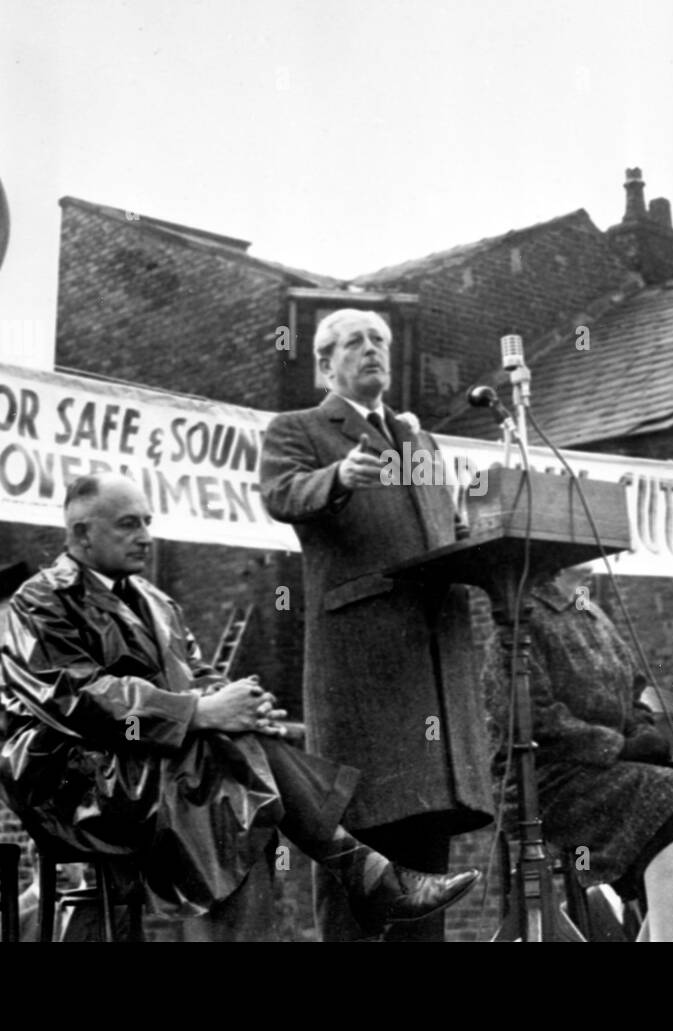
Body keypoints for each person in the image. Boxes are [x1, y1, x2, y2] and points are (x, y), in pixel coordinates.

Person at [0, 473, 478, 941]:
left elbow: (198, 676)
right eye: (129, 524)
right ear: (82, 533)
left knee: (236, 792)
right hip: (68, 777)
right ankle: (367, 873)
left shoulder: (157, 602)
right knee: (230, 775)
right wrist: (202, 713)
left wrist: (240, 704)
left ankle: (366, 875)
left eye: (147, 521)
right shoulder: (42, 599)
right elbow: (74, 697)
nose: (146, 536)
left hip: (155, 765)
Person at [259, 308, 494, 942]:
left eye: (380, 341)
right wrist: (338, 476)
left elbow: (443, 532)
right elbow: (282, 493)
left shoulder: (420, 443)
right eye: (355, 342)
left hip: (434, 673)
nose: (371, 350)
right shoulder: (300, 428)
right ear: (324, 363)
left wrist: (475, 535)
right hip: (364, 672)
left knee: (427, 865)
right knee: (358, 853)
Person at [481, 565, 673, 941]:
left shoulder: (591, 612)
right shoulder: (522, 617)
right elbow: (532, 716)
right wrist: (618, 745)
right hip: (547, 778)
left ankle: (656, 935)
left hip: (606, 770)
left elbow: (634, 689)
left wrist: (643, 734)